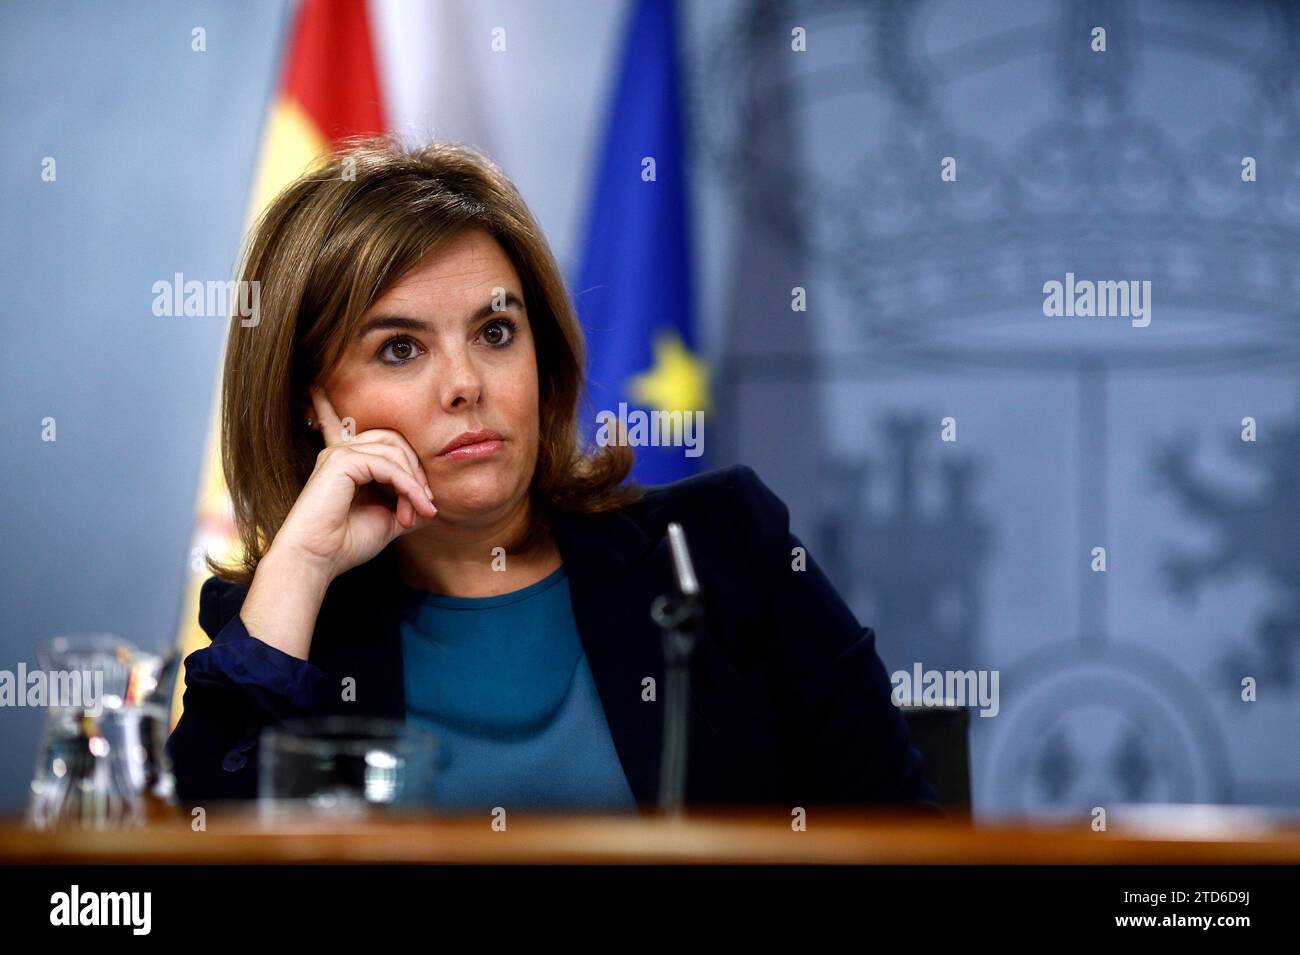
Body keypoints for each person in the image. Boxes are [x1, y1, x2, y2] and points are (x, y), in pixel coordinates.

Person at [165, 137, 939, 814]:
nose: (465, 384)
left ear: (545, 354)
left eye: (496, 331)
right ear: (315, 400)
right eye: (400, 348)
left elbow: (905, 847)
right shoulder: (283, 632)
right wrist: (300, 567)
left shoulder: (726, 551)